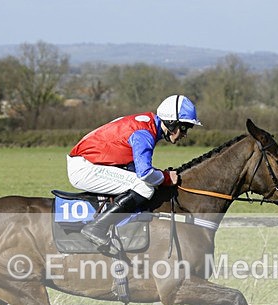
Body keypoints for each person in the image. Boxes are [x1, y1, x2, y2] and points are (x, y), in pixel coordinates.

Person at [67, 94, 201, 249]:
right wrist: (165, 177)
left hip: (89, 163)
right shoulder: (144, 133)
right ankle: (96, 228)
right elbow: (144, 173)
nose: (185, 134)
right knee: (144, 186)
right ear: (171, 123)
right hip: (85, 168)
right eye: (184, 128)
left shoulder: (147, 123)